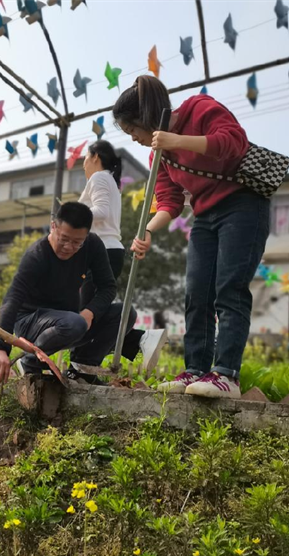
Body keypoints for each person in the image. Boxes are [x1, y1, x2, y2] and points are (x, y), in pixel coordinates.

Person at [114, 75, 270, 399]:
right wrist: (147, 230)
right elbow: (169, 202)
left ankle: (227, 374)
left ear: (145, 117)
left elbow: (232, 142)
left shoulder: (199, 108)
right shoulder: (157, 156)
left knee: (229, 289)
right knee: (197, 293)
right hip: (204, 215)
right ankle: (195, 370)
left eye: (133, 131)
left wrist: (176, 141)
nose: (135, 139)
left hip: (242, 205)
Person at [0, 202, 164, 384]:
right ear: (53, 226)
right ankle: (30, 362)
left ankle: (82, 369)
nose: (68, 247)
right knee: (74, 323)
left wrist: (90, 312)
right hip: (31, 322)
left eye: (77, 242)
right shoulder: (37, 256)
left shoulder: (92, 245)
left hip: (69, 321)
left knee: (124, 313)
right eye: (63, 239)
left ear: (86, 235)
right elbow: (12, 300)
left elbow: (108, 287)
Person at [78, 139, 166, 371]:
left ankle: (136, 339)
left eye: (85, 157)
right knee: (89, 310)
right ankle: (138, 340)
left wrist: (72, 214)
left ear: (95, 156)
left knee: (84, 313)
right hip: (108, 250)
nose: (83, 163)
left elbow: (101, 211)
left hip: (101, 251)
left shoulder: (99, 177)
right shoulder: (109, 181)